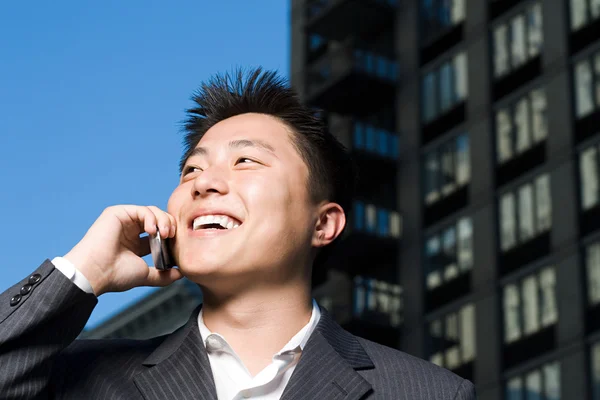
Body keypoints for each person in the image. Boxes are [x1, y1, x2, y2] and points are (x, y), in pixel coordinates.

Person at [0, 68, 476, 400]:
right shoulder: (76, 380)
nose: (203, 182)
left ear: (323, 223)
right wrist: (82, 272)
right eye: (191, 170)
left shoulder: (429, 392)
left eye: (246, 160)